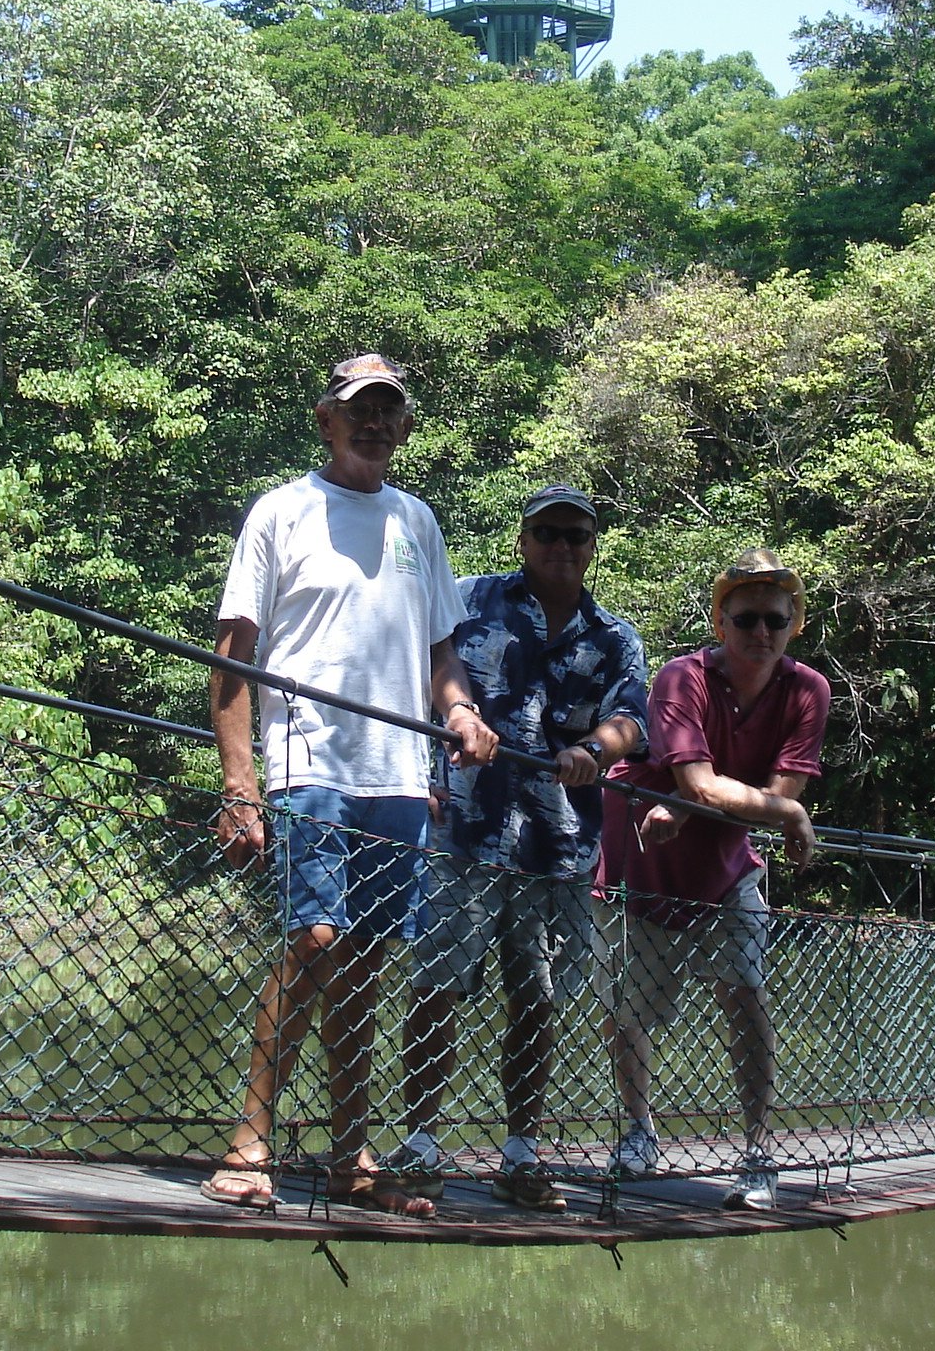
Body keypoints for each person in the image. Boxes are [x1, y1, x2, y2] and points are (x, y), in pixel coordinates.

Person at [201, 352, 499, 1216]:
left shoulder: (419, 522)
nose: (373, 424)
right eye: (357, 409)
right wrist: (238, 783)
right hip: (307, 763)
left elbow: (442, 653)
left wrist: (461, 713)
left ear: (404, 428)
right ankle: (251, 1141)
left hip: (400, 778)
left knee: (366, 960)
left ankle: (348, 1152)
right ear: (325, 420)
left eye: (388, 412)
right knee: (316, 941)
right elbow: (232, 653)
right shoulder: (282, 512)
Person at [386, 485, 649, 1212]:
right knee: (438, 987)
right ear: (523, 539)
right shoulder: (467, 600)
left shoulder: (615, 635)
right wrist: (417, 771)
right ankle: (419, 1144)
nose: (562, 547)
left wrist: (598, 749)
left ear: (593, 546)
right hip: (463, 833)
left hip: (558, 847)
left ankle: (521, 1153)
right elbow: (414, 679)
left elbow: (634, 717)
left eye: (577, 537)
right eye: (548, 533)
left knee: (535, 1000)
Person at [598, 548, 828, 1212]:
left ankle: (757, 1150)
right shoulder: (682, 678)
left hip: (724, 865)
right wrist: (779, 810)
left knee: (745, 992)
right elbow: (726, 789)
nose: (761, 632)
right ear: (720, 621)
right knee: (628, 1012)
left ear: (794, 626)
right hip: (641, 859)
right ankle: (639, 1133)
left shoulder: (807, 691)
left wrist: (731, 802)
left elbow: (773, 788)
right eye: (747, 618)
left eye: (774, 621)